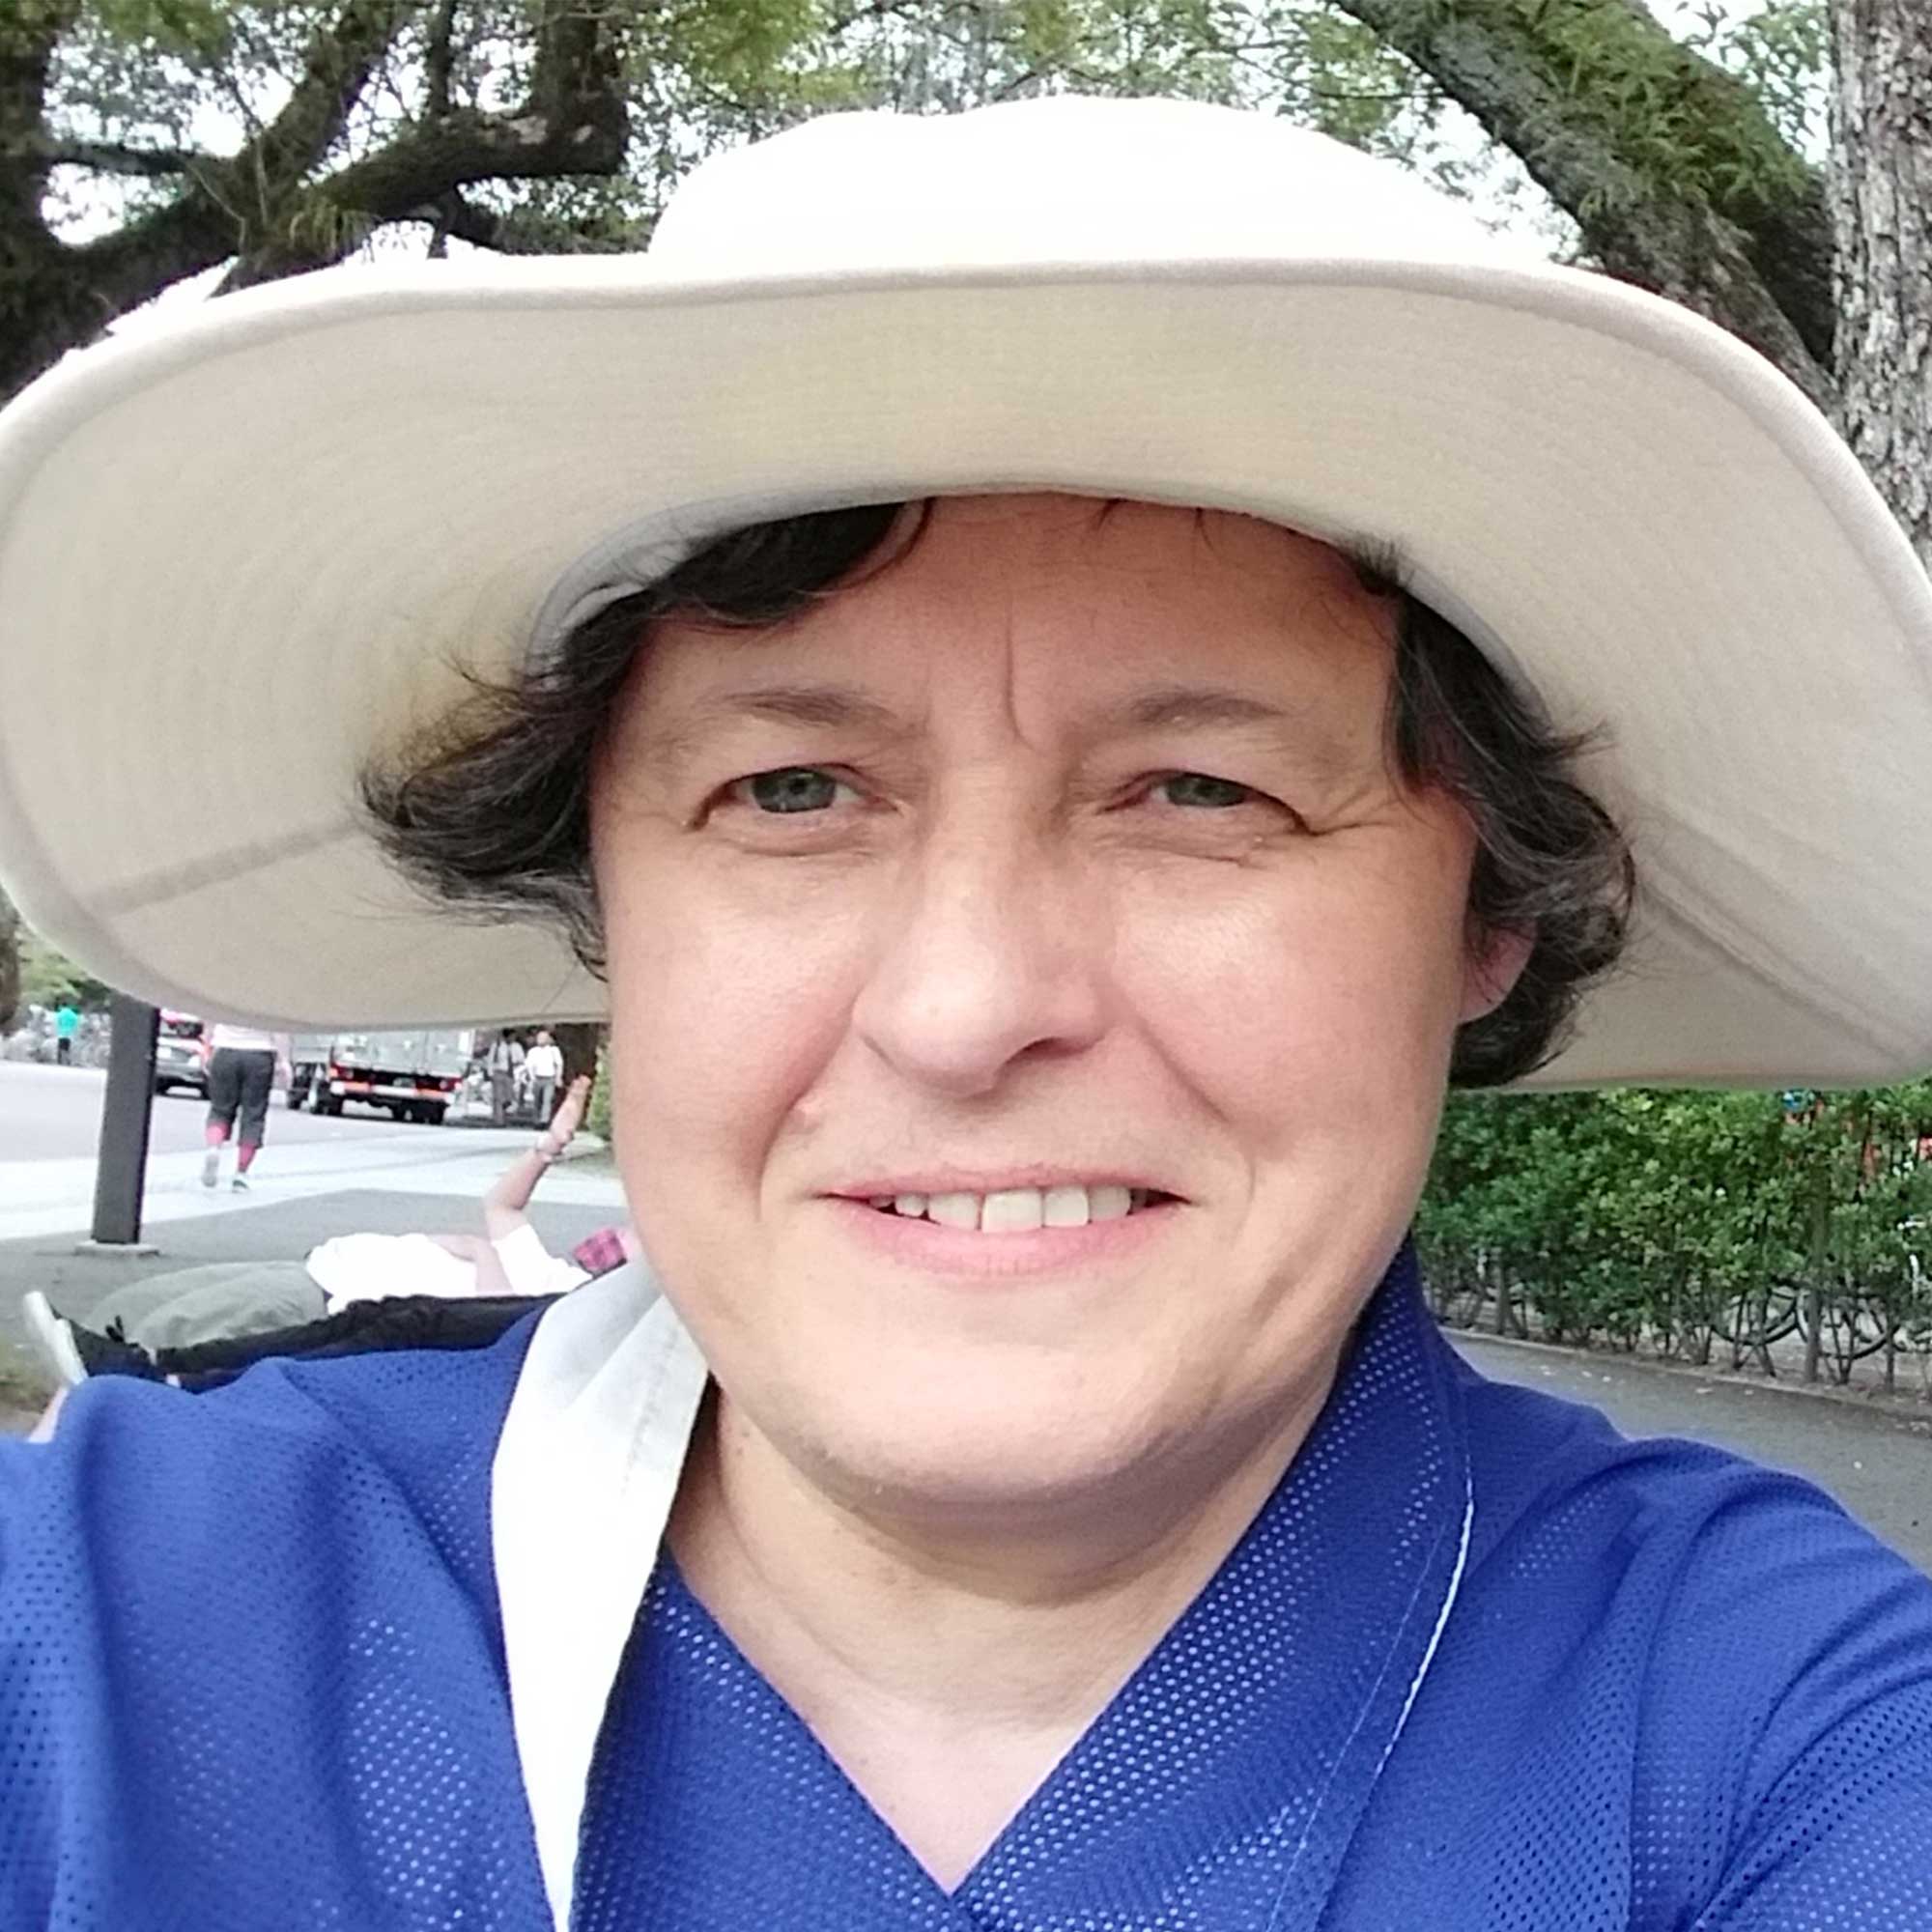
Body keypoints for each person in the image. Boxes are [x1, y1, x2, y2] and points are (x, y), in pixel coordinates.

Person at [0, 95, 1928, 1931]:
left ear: (1486, 918)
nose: (964, 1004)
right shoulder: (111, 1638)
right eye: (790, 794)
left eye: (1200, 795)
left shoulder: (1764, 1733)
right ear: (606, 910)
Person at [198, 1019, 292, 1190]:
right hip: (260, 1055)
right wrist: (284, 1060)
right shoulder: (272, 993)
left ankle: (214, 1148)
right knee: (253, 1115)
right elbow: (280, 1029)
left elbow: (210, 1019)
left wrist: (207, 1048)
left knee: (219, 1110)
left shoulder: (227, 992)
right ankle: (240, 1174)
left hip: (225, 1051)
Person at [525, 1028, 565, 1125]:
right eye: (539, 1038)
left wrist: (558, 1077)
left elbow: (559, 1064)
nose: (541, 1040)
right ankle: (536, 1120)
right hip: (537, 1078)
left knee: (547, 1100)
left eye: (543, 1038)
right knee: (536, 1101)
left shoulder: (553, 1050)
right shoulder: (533, 1051)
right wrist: (532, 1078)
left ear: (548, 1039)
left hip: (549, 1078)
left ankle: (544, 1120)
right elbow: (529, 1065)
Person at [487, 1028, 526, 1125]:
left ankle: (506, 1117)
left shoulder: (517, 1046)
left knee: (509, 1098)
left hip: (511, 1073)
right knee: (498, 1097)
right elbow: (490, 1060)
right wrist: (490, 1073)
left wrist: (517, 1064)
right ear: (506, 1036)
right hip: (499, 1072)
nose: (513, 1038)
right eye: (512, 1036)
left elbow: (522, 1060)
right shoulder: (497, 1045)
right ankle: (499, 1121)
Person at [51, 997, 77, 1065]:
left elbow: (58, 1022)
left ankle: (59, 1061)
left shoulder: (60, 1013)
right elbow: (75, 1020)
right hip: (69, 1034)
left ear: (62, 1006)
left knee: (60, 1048)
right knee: (67, 1048)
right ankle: (68, 1061)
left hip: (61, 1033)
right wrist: (71, 1026)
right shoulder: (72, 1013)